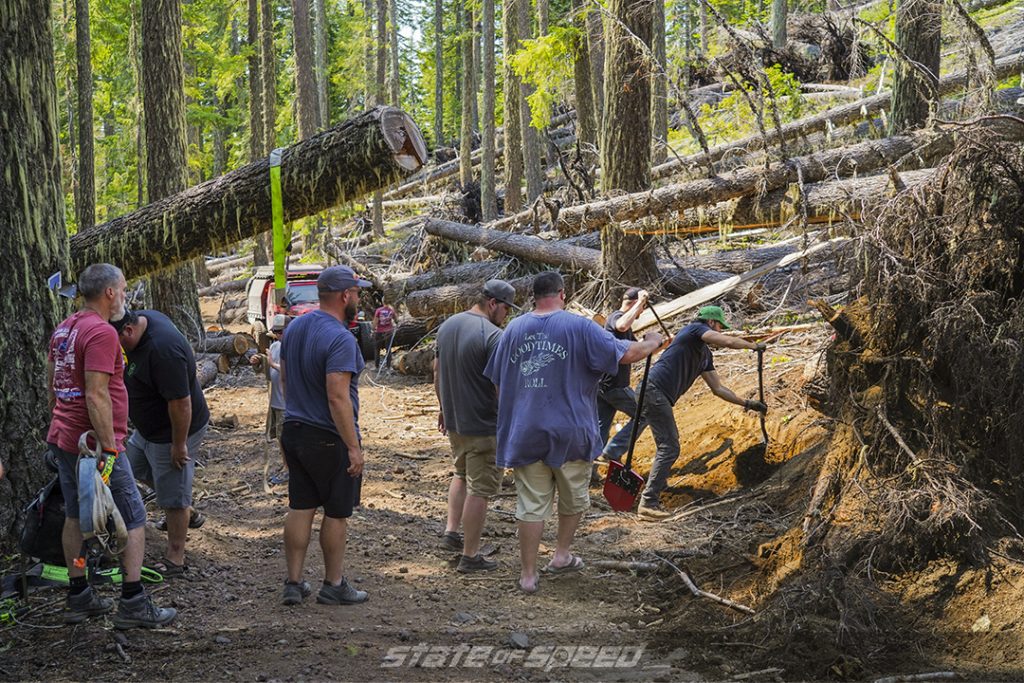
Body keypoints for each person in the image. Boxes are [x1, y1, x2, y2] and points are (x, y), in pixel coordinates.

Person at [483, 271, 663, 593]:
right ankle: (561, 554)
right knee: (573, 497)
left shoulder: (513, 329)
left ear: (534, 296)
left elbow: (498, 382)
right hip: (571, 432)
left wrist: (515, 413)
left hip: (525, 432)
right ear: (562, 295)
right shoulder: (579, 326)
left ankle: (527, 575)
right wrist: (651, 342)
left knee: (531, 504)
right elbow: (625, 354)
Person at [46, 263, 176, 628]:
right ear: (108, 293)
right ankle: (134, 602)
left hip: (65, 437)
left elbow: (52, 383)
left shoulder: (64, 328)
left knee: (75, 514)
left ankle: (79, 593)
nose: (124, 296)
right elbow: (96, 393)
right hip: (93, 445)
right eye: (122, 289)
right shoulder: (102, 333)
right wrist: (110, 447)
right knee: (133, 516)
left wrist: (59, 423)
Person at [601, 305, 768, 520]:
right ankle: (649, 503)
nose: (721, 331)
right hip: (653, 390)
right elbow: (725, 341)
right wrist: (752, 346)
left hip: (655, 393)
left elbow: (718, 389)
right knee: (669, 447)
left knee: (667, 445)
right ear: (711, 323)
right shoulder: (693, 330)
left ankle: (644, 493)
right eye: (719, 326)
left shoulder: (704, 355)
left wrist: (748, 403)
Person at [279, 265, 371, 607]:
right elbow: (337, 396)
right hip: (329, 436)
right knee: (336, 511)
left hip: (294, 429)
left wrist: (292, 419)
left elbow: (285, 380)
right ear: (345, 295)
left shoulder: (295, 327)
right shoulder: (341, 338)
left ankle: (293, 581)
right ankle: (333, 583)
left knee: (301, 505)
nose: (359, 299)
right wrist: (352, 447)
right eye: (357, 294)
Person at [112, 309, 210, 576]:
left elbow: (181, 404)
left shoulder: (163, 351)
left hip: (172, 432)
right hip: (146, 431)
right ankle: (187, 509)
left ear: (128, 330)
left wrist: (179, 445)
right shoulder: (144, 319)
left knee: (173, 496)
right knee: (132, 470)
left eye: (116, 340)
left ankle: (175, 558)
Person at [434, 279, 517, 573]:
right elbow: (500, 385)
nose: (507, 315)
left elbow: (437, 370)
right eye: (506, 308)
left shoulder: (448, 325)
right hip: (484, 424)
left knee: (461, 473)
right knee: (480, 489)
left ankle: (451, 532)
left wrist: (443, 406)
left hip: (455, 419)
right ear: (493, 303)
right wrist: (510, 421)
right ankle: (470, 555)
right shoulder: (493, 336)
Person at [597, 288, 650, 447]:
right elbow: (621, 326)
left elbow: (637, 348)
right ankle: (612, 452)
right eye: (642, 307)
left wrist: (660, 344)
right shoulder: (616, 318)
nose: (642, 310)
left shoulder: (626, 327)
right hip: (615, 386)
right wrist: (641, 301)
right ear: (635, 304)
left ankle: (590, 469)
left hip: (603, 387)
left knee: (601, 428)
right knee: (645, 413)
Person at [265, 314, 289, 485]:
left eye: (281, 331)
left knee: (286, 438)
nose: (278, 335)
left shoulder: (294, 347)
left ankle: (289, 469)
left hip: (286, 403)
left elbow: (292, 371)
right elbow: (268, 371)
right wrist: (259, 362)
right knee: (279, 438)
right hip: (275, 401)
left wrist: (273, 365)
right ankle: (286, 465)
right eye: (276, 331)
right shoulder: (274, 346)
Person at [373, 299, 397, 370]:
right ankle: (388, 367)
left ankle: (376, 366)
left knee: (377, 349)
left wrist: (372, 329)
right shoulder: (392, 310)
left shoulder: (379, 310)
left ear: (383, 301)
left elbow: (375, 322)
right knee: (388, 349)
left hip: (379, 331)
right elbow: (396, 320)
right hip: (389, 331)